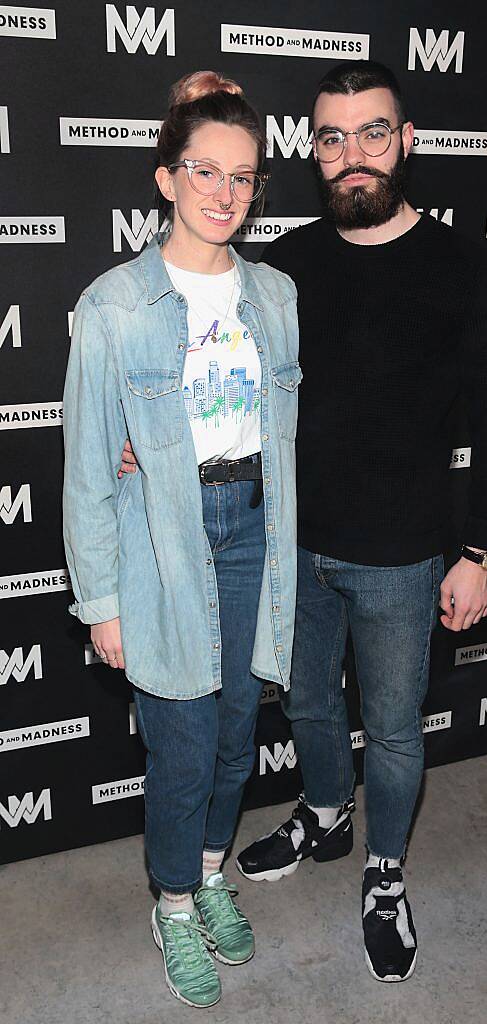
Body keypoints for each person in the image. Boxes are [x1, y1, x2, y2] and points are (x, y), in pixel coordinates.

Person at [233, 61, 487, 983]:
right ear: (312, 151)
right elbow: (234, 392)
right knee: (310, 703)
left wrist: (480, 551)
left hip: (404, 558)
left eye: (371, 133)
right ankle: (325, 813)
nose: (352, 155)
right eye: (332, 138)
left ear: (405, 140)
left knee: (394, 730)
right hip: (298, 546)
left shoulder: (461, 265)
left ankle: (386, 872)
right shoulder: (286, 266)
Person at [62, 70, 300, 1009]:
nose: (224, 193)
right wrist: (104, 602)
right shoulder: (115, 305)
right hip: (163, 539)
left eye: (243, 177)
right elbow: (87, 466)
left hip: (252, 532)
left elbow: (283, 441)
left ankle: (208, 872)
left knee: (239, 734)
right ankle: (170, 903)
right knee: (184, 746)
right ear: (167, 178)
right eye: (205, 170)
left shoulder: (276, 293)